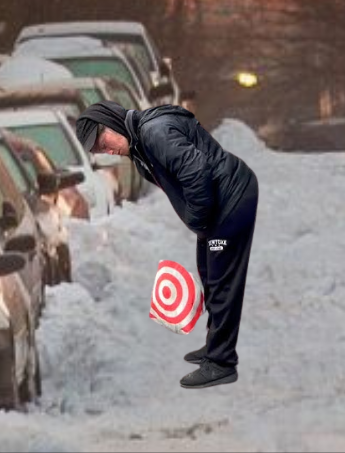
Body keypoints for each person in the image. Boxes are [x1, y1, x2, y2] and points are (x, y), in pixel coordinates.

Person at [76, 100, 258, 388]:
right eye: (99, 150)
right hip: (220, 201)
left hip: (230, 197)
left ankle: (222, 363)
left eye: (103, 141)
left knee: (222, 278)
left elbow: (196, 170)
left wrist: (199, 217)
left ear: (112, 121)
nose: (107, 151)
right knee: (209, 273)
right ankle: (215, 347)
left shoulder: (154, 133)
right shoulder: (139, 143)